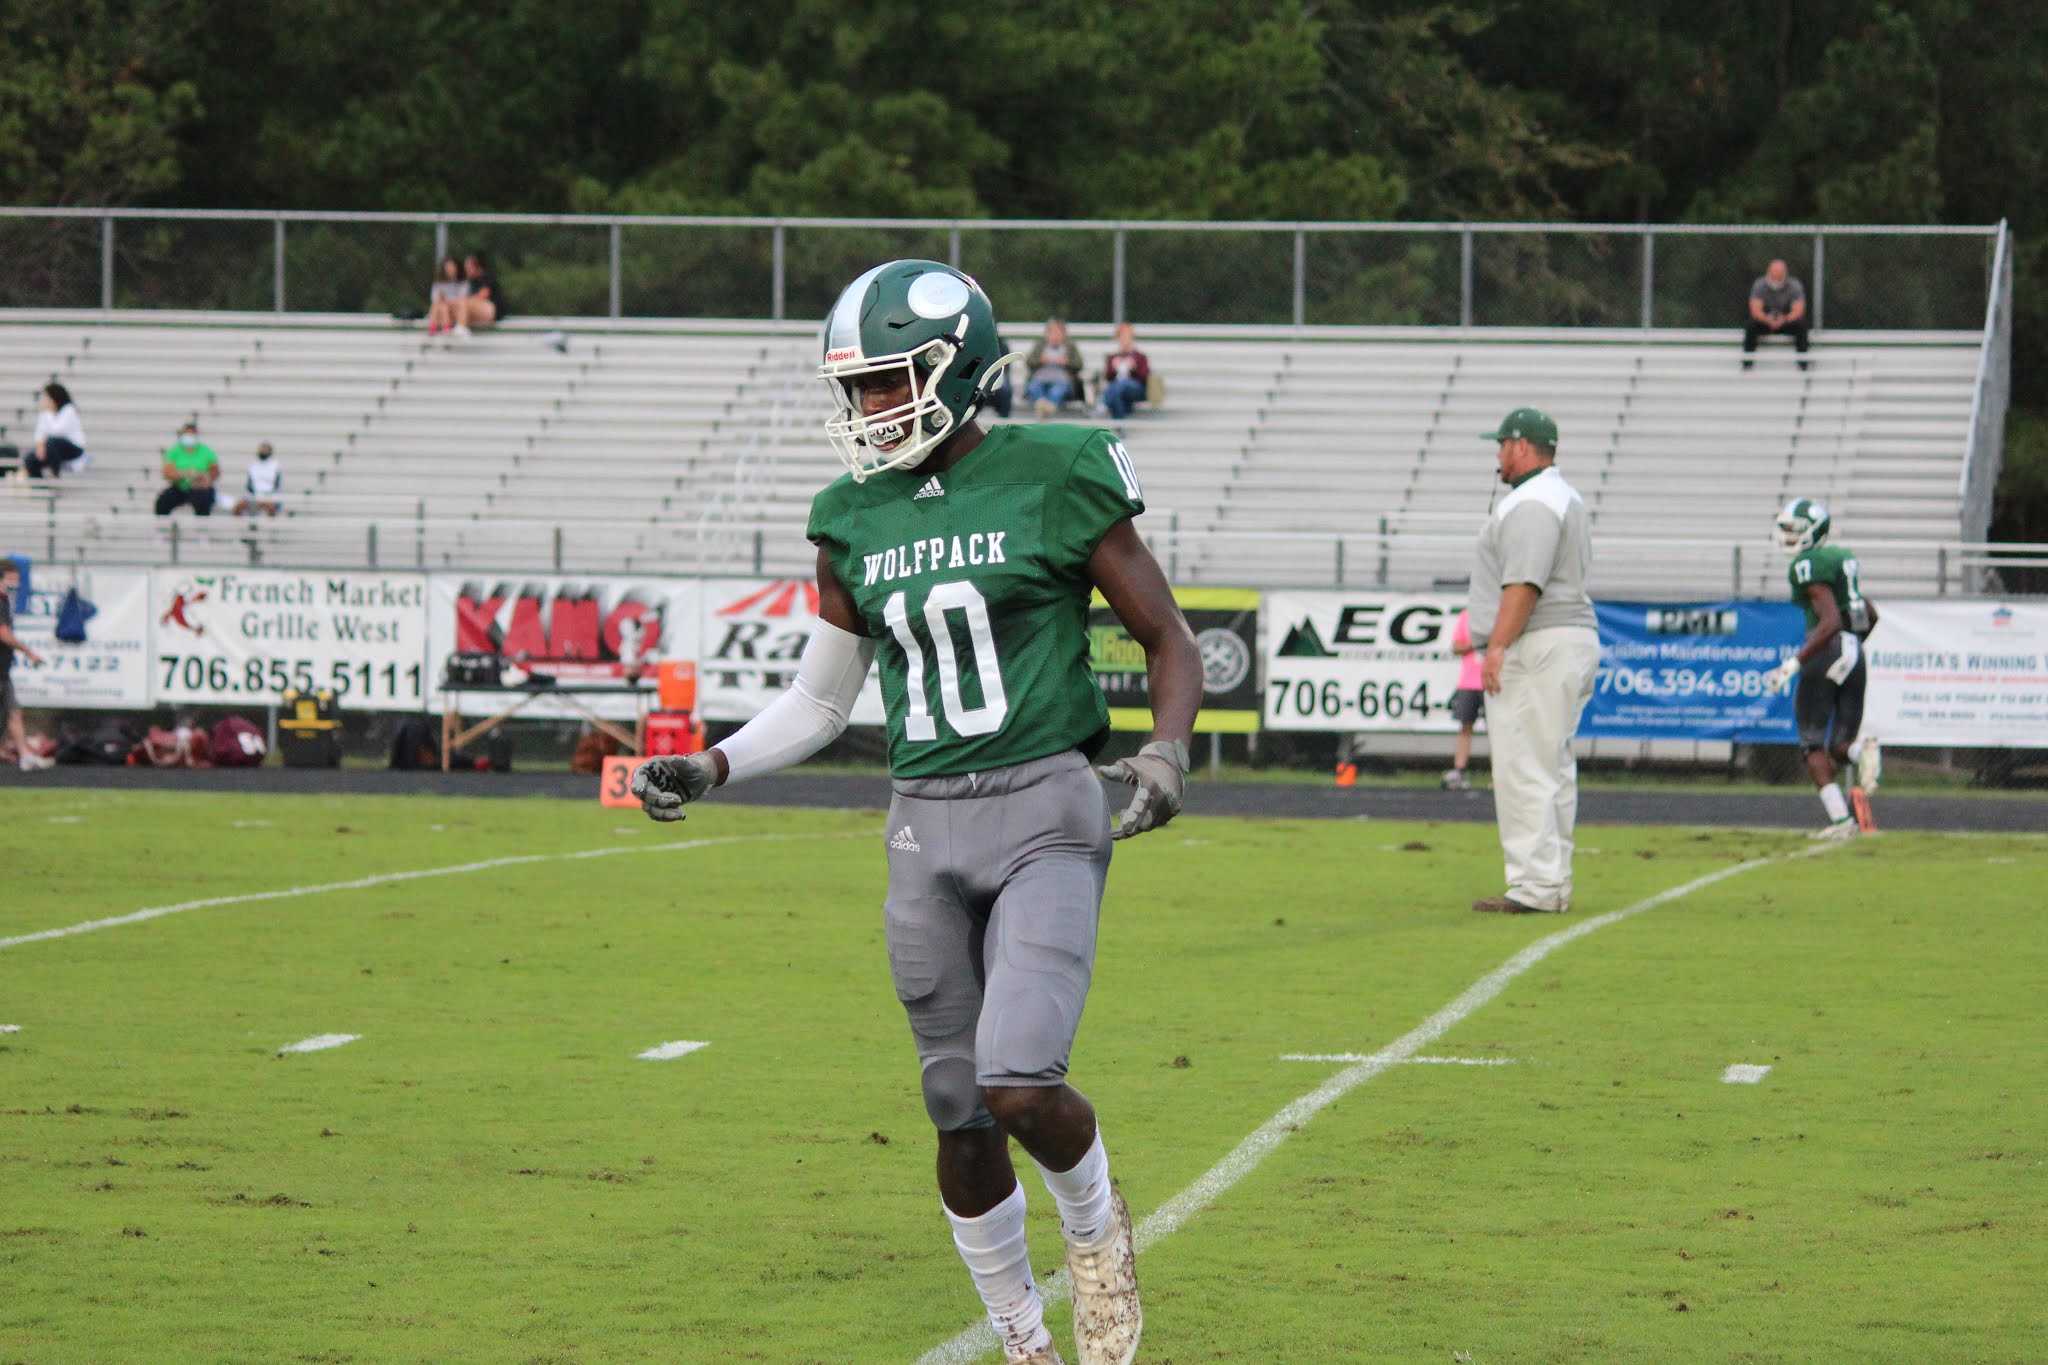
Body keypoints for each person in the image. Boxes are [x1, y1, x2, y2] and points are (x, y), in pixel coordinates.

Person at [630, 259, 1200, 1365]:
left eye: (889, 380)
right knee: (956, 1106)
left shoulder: (1055, 468)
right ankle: (1020, 1336)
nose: (871, 406)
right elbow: (820, 699)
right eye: (858, 387)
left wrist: (1166, 752)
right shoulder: (851, 515)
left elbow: (1167, 635)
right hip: (920, 821)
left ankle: (1096, 1238)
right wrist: (712, 764)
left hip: (1044, 803)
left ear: (959, 367)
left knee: (1018, 1080)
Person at [1467, 407, 1600, 915]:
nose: (1499, 456)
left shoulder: (1533, 501)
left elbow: (1524, 583)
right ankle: (1551, 880)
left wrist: (1497, 645)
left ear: (1522, 446)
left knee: (1524, 766)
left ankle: (1534, 886)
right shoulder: (1562, 496)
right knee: (1551, 766)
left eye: (1503, 445)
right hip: (1564, 639)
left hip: (1539, 642)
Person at [1764, 498, 1881, 838]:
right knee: (1841, 747)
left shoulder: (1808, 564)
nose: (1788, 536)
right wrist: (1850, 651)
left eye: (1794, 530)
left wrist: (1793, 663)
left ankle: (1842, 822)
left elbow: (1829, 622)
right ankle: (1863, 751)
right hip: (1854, 650)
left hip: (1828, 650)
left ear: (1813, 532)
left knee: (1811, 744)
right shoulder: (1840, 559)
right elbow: (1870, 615)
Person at [1, 560, 52, 771]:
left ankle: (25, 756)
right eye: (11, 579)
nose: (15, 584)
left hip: (3, 670)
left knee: (14, 712)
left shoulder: (5, 601)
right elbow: (3, 633)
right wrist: (28, 652)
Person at [1442, 607, 1485, 790]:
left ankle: (1499, 774)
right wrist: (1476, 643)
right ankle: (1459, 770)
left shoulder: (1499, 613)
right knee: (1465, 726)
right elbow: (1456, 647)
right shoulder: (1466, 616)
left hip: (1492, 681)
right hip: (1469, 682)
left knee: (1498, 730)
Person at [1743, 259, 1811, 370]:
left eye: (1780, 276)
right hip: (1765, 322)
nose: (1776, 278)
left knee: (1802, 326)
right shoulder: (1760, 285)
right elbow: (1755, 309)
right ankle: (1747, 364)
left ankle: (1803, 365)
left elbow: (1798, 310)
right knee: (1751, 325)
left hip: (1786, 322)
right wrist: (1766, 319)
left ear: (1785, 274)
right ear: (1768, 273)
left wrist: (1784, 319)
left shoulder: (1794, 285)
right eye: (1774, 275)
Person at [1025, 318, 1085, 420]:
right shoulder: (1040, 346)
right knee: (1033, 387)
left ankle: (1047, 407)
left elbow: (1079, 365)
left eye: (1058, 333)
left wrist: (1066, 362)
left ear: (1064, 334)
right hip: (1040, 380)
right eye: (1052, 332)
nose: (1055, 336)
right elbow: (1029, 362)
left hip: (1062, 381)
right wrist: (1040, 360)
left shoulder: (1070, 347)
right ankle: (1043, 405)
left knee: (1057, 391)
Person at [155, 423, 220, 517]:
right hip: (180, 487)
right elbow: (167, 472)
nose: (189, 437)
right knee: (162, 502)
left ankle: (202, 525)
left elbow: (215, 471)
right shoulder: (175, 451)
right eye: (187, 434)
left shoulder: (206, 451)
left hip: (200, 488)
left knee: (204, 499)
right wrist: (185, 475)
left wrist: (203, 478)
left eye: (191, 435)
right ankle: (162, 525)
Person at [25, 383, 87, 478]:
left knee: (51, 442)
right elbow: (39, 433)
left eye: (47, 398)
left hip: (73, 448)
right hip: (52, 448)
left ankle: (55, 473)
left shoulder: (69, 410)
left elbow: (56, 431)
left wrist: (47, 412)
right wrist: (40, 445)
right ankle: (40, 485)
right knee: (30, 459)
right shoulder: (47, 413)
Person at [1092, 324, 1151, 422]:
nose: (1125, 340)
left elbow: (1144, 377)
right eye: (1122, 337)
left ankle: (1104, 404)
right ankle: (1120, 426)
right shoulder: (1112, 357)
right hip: (1118, 392)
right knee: (1117, 394)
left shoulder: (1140, 357)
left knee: (1120, 384)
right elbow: (1108, 377)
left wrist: (1134, 368)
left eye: (1127, 337)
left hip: (1135, 389)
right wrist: (1114, 368)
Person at [446, 250, 506, 338]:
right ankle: (449, 328)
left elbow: (483, 295)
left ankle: (462, 328)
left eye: (469, 267)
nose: (466, 270)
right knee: (454, 305)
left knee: (462, 302)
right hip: (480, 311)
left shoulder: (486, 276)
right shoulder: (471, 281)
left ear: (477, 267)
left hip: (492, 310)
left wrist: (463, 301)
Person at [232, 442, 284, 517]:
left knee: (271, 507)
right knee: (239, 507)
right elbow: (249, 485)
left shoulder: (276, 465)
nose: (263, 451)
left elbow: (277, 486)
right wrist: (255, 496)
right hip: (254, 495)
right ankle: (240, 524)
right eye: (262, 449)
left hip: (270, 496)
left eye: (265, 449)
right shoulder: (252, 464)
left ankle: (271, 524)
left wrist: (265, 497)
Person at [425, 257, 469, 337]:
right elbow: (434, 298)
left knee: (444, 307)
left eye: (452, 267)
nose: (450, 269)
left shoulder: (462, 281)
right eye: (448, 267)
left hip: (455, 307)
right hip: (441, 306)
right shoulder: (439, 282)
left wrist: (448, 301)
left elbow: (462, 298)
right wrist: (443, 301)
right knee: (439, 306)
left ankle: (447, 328)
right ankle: (433, 328)